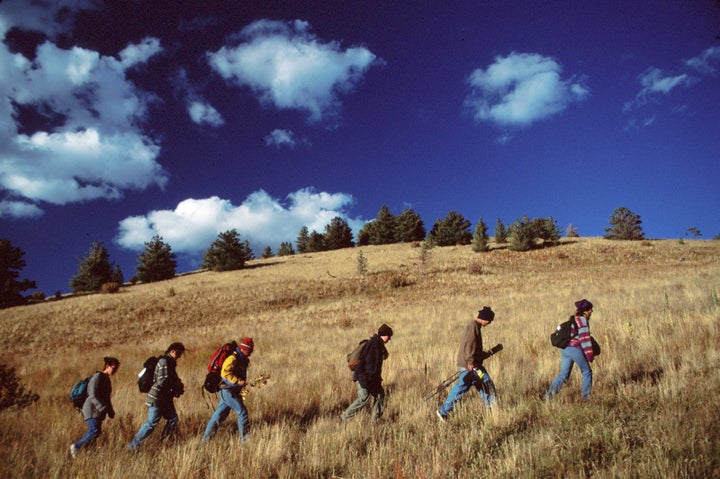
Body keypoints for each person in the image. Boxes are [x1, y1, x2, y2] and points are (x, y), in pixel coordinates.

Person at [436, 307, 497, 421]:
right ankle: (443, 411)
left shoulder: (474, 326)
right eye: (490, 320)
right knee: (473, 385)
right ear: (485, 319)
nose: (490, 323)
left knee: (482, 384)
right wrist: (470, 362)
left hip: (472, 364)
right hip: (470, 366)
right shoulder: (473, 326)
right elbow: (469, 345)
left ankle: (492, 409)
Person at [128, 342, 185, 450]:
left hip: (165, 398)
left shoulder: (170, 362)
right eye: (178, 353)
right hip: (158, 397)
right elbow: (162, 381)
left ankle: (165, 442)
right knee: (151, 423)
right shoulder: (164, 362)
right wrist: (174, 386)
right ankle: (132, 446)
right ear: (172, 351)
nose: (179, 356)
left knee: (173, 419)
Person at [203, 337, 254, 442]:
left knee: (219, 415)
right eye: (250, 351)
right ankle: (245, 441)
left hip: (230, 391)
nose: (250, 354)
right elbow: (225, 374)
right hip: (226, 390)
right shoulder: (233, 358)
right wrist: (238, 382)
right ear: (244, 349)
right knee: (242, 412)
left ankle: (205, 441)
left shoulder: (240, 359)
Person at [340, 323, 393, 423]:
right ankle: (343, 419)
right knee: (363, 398)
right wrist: (366, 379)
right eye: (389, 336)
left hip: (370, 378)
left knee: (379, 395)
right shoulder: (374, 345)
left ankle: (375, 421)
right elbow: (369, 364)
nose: (389, 339)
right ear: (383, 335)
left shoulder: (377, 344)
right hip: (364, 377)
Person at [70, 356, 120, 458]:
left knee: (96, 432)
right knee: (94, 431)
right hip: (91, 409)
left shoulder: (106, 380)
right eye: (113, 368)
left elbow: (107, 398)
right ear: (107, 366)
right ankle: (76, 446)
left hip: (98, 411)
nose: (115, 371)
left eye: (116, 369)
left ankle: (86, 452)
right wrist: (102, 407)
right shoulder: (97, 377)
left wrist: (110, 410)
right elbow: (92, 394)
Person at [545, 299, 595, 400]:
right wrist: (590, 355)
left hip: (565, 349)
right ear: (585, 311)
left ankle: (548, 396)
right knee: (587, 372)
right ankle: (586, 398)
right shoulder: (583, 320)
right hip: (575, 349)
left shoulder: (574, 319)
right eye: (590, 309)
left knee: (563, 376)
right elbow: (584, 339)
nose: (591, 311)